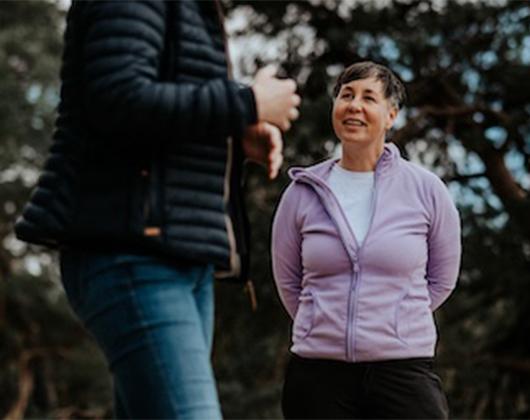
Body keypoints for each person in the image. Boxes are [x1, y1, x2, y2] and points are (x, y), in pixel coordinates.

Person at [15, 1, 300, 418]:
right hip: (131, 254)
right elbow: (118, 97)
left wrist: (235, 134)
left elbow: (154, 110)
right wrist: (246, 104)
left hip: (180, 256)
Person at [271, 61, 461, 419]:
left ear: (390, 115)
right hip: (317, 376)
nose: (354, 105)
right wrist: (324, 324)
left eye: (368, 97)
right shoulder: (301, 192)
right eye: (346, 95)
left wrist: (391, 322)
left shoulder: (427, 190)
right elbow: (288, 281)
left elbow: (442, 279)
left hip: (403, 371)